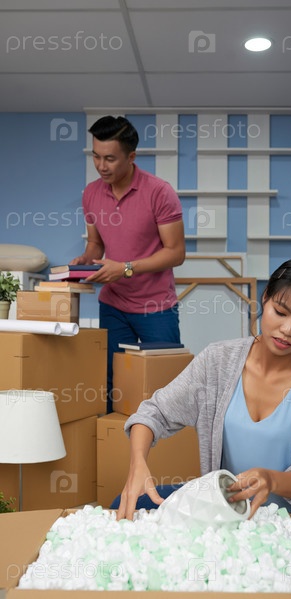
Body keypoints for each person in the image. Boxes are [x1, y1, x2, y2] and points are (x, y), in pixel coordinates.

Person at [116, 258, 291, 541]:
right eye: (280, 312)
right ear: (265, 298)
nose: (288, 329)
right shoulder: (218, 361)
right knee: (127, 506)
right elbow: (155, 412)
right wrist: (138, 464)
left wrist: (271, 480)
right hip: (227, 521)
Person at [71, 116, 185, 413]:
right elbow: (96, 243)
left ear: (131, 157)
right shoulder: (91, 193)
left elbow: (176, 253)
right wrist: (85, 260)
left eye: (110, 158)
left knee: (165, 383)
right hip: (113, 305)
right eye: (96, 156)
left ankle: (165, 441)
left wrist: (125, 268)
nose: (101, 165)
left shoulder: (159, 192)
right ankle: (115, 439)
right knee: (114, 381)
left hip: (156, 306)